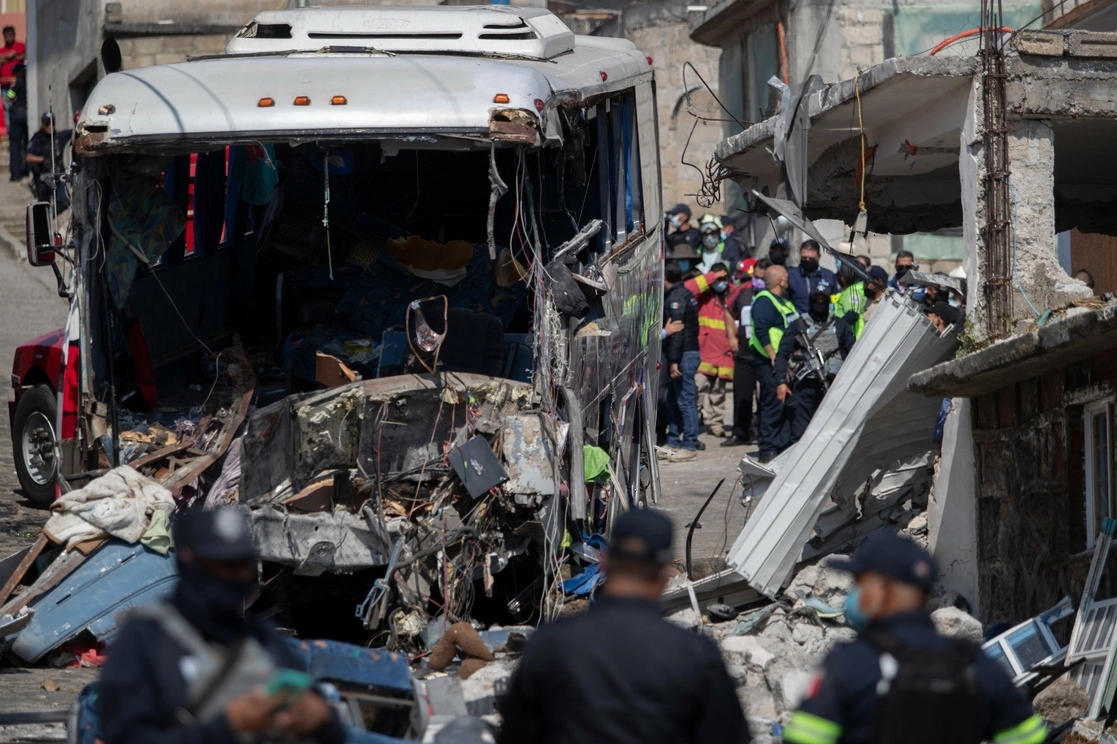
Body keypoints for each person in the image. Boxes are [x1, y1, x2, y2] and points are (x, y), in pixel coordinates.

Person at [498, 509, 751, 744]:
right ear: (664, 574)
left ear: (604, 563)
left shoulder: (549, 645)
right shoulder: (695, 655)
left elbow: (516, 735)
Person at [100, 506, 347, 744]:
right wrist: (229, 727)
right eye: (224, 565)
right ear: (189, 561)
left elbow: (331, 729)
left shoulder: (262, 638)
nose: (237, 576)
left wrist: (321, 718)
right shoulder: (144, 640)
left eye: (243, 564)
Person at [784, 533, 1046, 744]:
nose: (856, 594)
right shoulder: (976, 665)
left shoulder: (849, 666)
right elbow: (1028, 737)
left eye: (860, 583)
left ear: (882, 589)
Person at [774, 283, 855, 445]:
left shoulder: (840, 325)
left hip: (833, 386)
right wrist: (781, 382)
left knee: (831, 430)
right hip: (804, 386)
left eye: (823, 299)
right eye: (816, 299)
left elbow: (854, 353)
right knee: (800, 431)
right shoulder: (798, 325)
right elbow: (782, 354)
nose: (819, 303)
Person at [749, 264, 798, 462]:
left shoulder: (784, 301)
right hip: (770, 361)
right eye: (786, 276)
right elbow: (761, 332)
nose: (788, 279)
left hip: (785, 360)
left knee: (786, 403)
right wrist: (772, 356)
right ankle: (767, 449)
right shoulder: (764, 302)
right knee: (772, 403)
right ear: (781, 281)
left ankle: (782, 445)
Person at [686, 263, 735, 438]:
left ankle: (716, 424)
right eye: (717, 279)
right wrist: (711, 277)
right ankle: (693, 423)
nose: (720, 282)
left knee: (719, 393)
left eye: (723, 278)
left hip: (724, 353)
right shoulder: (703, 294)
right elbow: (688, 288)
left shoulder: (732, 293)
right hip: (704, 353)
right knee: (697, 391)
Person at [661, 262, 702, 461]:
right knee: (671, 398)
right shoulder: (681, 293)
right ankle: (673, 441)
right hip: (683, 353)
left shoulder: (676, 298)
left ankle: (689, 444)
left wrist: (674, 361)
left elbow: (677, 332)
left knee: (685, 400)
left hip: (683, 354)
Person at [724, 260, 759, 447]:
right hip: (745, 351)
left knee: (769, 395)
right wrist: (731, 336)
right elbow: (728, 309)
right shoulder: (742, 290)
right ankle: (740, 432)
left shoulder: (769, 288)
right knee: (742, 391)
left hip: (767, 350)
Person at [27, 112, 73, 212]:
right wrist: (42, 160)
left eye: (52, 123)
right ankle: (44, 221)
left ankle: (49, 218)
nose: (50, 126)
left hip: (58, 175)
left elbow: (74, 131)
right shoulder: (37, 139)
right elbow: (28, 157)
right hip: (44, 177)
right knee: (44, 205)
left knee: (64, 201)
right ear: (43, 124)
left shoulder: (59, 137)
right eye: (47, 124)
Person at [787, 240, 838, 314]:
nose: (807, 261)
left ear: (819, 257)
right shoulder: (791, 275)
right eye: (804, 258)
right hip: (798, 321)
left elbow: (835, 299)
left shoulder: (829, 275)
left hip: (823, 321)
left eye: (811, 259)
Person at [0, 26, 25, 134]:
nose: (8, 39)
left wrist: (7, 57)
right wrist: (10, 56)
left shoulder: (19, 46)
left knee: (15, 105)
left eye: (10, 36)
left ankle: (17, 129)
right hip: (5, 84)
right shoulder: (2, 50)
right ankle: (11, 130)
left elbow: (21, 56)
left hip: (15, 84)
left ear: (13, 36)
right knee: (7, 106)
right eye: (6, 37)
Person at [832, 260, 867, 338]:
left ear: (845, 277)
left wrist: (837, 328)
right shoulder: (854, 290)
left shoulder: (853, 292)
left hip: (850, 337)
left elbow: (852, 314)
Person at [6, 62, 27, 181]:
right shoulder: (28, 80)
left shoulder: (18, 82)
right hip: (27, 113)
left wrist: (11, 93)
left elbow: (8, 96)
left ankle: (15, 174)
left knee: (15, 144)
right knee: (26, 142)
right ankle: (26, 169)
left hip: (17, 113)